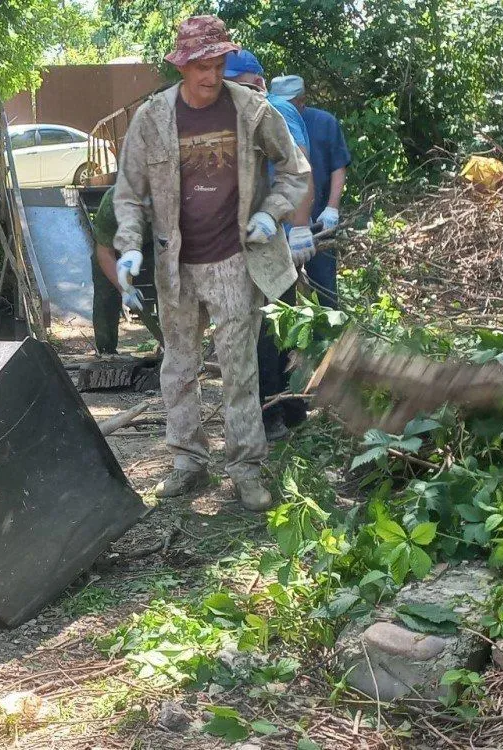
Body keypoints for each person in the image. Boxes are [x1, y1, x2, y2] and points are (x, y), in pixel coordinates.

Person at [113, 16, 310, 510]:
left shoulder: (252, 109)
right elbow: (129, 192)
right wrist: (129, 244)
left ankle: (246, 469)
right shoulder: (152, 118)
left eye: (219, 64)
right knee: (179, 368)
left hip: (234, 262)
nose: (212, 75)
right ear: (182, 65)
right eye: (202, 66)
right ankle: (188, 463)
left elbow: (295, 169)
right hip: (176, 265)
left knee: (240, 370)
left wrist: (271, 213)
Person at [223, 51, 314, 441]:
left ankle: (279, 413)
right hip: (240, 245)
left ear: (257, 82)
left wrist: (300, 228)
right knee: (267, 330)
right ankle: (281, 412)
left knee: (274, 330)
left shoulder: (272, 110)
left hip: (272, 239)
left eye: (236, 83)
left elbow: (300, 167)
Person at [270, 74, 351, 308]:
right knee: (280, 292)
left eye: (289, 103)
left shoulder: (324, 123)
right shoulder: (268, 123)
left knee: (324, 287)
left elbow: (338, 166)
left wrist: (332, 209)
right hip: (281, 223)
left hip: (319, 221)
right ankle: (284, 331)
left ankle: (328, 328)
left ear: (302, 100)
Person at [90, 186, 163, 354]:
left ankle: (174, 346)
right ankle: (106, 352)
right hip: (114, 245)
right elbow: (104, 253)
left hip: (154, 243)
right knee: (105, 292)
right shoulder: (112, 203)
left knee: (169, 287)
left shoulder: (171, 200)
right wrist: (125, 289)